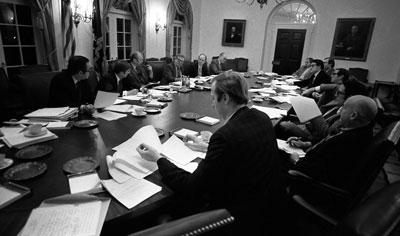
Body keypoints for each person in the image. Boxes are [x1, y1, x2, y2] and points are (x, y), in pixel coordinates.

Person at [137, 71, 288, 234]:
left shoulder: (225, 136)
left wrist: (158, 159)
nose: (212, 104)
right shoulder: (262, 117)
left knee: (168, 210)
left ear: (225, 98)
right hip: (271, 207)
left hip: (239, 217)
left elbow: (191, 187)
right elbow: (242, 150)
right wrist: (208, 146)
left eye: (213, 98)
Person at [292, 95, 377, 191]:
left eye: (343, 107)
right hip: (308, 160)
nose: (339, 111)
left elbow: (318, 172)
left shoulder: (348, 143)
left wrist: (296, 160)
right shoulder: (359, 130)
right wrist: (306, 144)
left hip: (310, 185)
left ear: (353, 115)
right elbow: (328, 141)